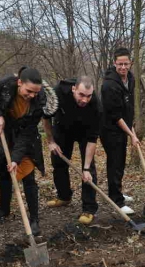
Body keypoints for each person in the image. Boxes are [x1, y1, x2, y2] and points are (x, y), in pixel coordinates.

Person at [0, 67, 58, 236]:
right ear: (19, 83)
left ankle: (34, 219)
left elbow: (27, 133)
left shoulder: (39, 101)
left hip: (27, 140)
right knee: (3, 173)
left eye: (35, 92)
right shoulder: (6, 85)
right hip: (4, 135)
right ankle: (4, 209)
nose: (32, 95)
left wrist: (16, 158)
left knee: (28, 178)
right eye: (29, 91)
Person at [42, 75, 101, 225]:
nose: (84, 100)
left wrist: (86, 168)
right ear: (74, 88)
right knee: (58, 162)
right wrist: (51, 141)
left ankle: (89, 208)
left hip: (85, 133)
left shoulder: (96, 105)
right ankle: (64, 197)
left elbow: (92, 140)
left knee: (89, 170)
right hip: (62, 129)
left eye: (88, 96)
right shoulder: (58, 93)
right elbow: (46, 116)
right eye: (81, 95)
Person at [100, 47, 139, 215]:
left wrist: (132, 130)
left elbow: (128, 109)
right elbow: (116, 115)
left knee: (121, 162)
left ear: (130, 63)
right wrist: (131, 135)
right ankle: (117, 201)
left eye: (126, 64)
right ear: (114, 63)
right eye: (119, 64)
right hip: (110, 129)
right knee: (115, 163)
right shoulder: (109, 85)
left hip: (123, 126)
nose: (123, 67)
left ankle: (118, 191)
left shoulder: (130, 78)